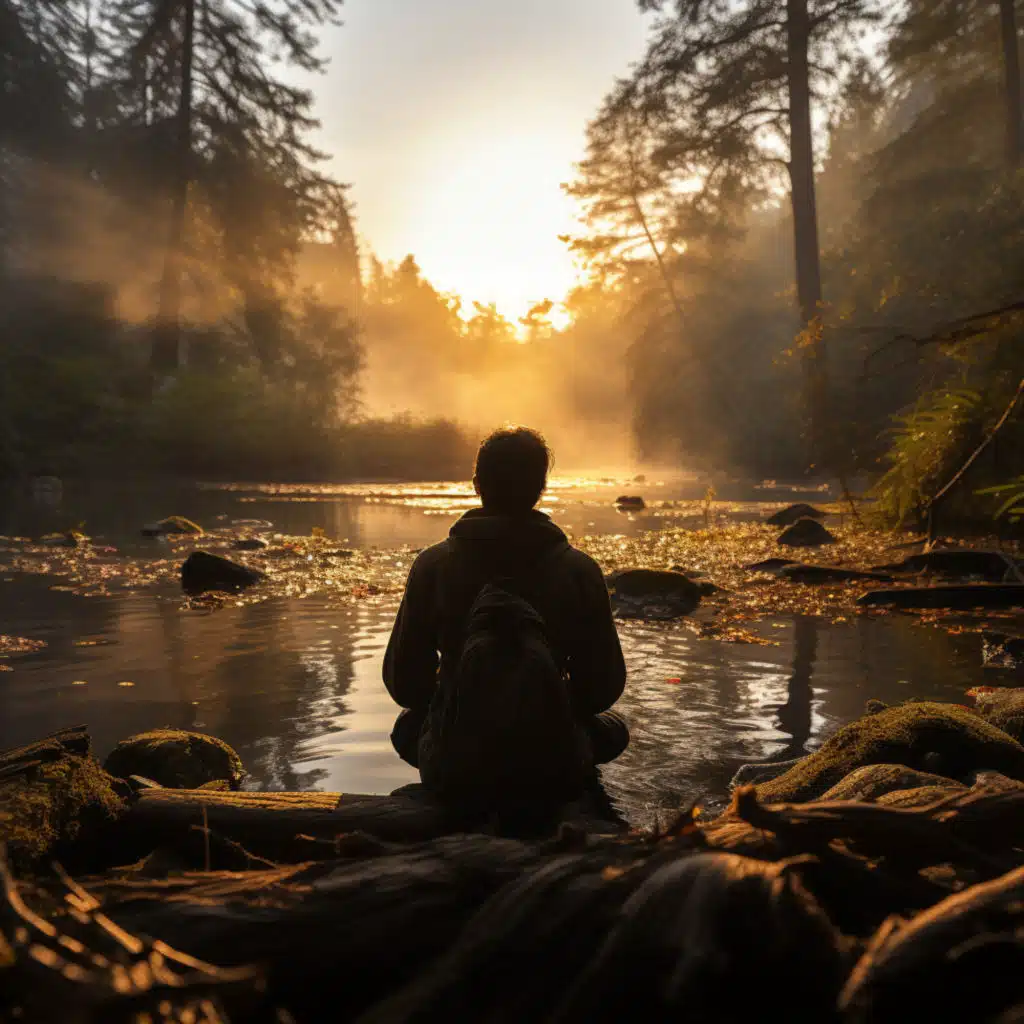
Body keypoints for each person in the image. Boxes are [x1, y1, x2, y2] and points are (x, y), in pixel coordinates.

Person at [383, 426, 629, 804]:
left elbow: (404, 685)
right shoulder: (578, 570)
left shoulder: (433, 565)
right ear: (541, 487)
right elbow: (602, 690)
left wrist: (459, 692)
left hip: (455, 763)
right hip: (552, 760)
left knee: (406, 728)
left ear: (477, 483)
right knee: (614, 731)